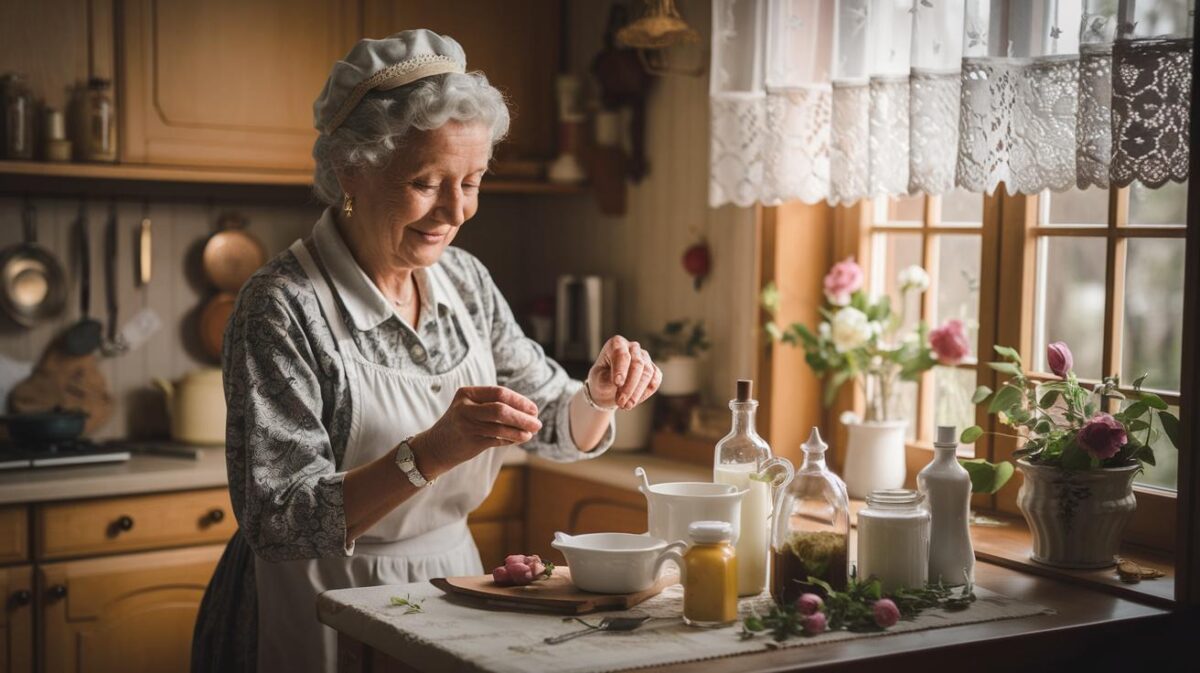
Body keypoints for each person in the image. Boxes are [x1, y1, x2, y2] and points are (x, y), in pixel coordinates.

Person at [191, 29, 662, 673]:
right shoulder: (282, 304)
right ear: (349, 169)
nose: (455, 210)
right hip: (317, 598)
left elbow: (549, 417)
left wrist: (597, 395)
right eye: (425, 182)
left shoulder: (464, 279)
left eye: (471, 181)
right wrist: (434, 451)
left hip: (450, 586)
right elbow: (280, 519)